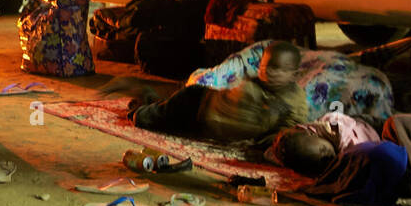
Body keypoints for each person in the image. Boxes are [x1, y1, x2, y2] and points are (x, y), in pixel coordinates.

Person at [128, 41, 309, 143]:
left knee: (173, 126)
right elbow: (236, 104)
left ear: (295, 74)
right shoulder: (253, 84)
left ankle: (151, 100)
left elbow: (288, 131)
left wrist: (265, 140)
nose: (269, 72)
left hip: (206, 128)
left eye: (278, 68)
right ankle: (142, 108)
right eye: (264, 66)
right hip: (198, 102)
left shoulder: (296, 100)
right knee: (147, 119)